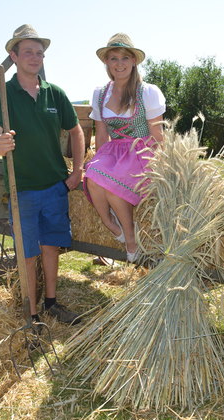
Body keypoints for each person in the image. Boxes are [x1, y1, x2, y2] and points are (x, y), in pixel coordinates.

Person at [0, 24, 85, 325]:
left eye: (39, 52)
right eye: (27, 51)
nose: (34, 57)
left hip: (55, 185)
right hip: (23, 188)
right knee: (28, 253)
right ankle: (32, 314)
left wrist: (78, 169)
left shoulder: (54, 94)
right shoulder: (2, 94)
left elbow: (76, 130)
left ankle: (52, 302)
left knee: (50, 246)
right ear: (13, 56)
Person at [84, 33, 166, 262]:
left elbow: (157, 132)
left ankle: (130, 237)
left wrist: (165, 165)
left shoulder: (147, 92)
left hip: (141, 151)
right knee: (92, 175)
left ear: (133, 61)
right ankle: (112, 225)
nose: (119, 64)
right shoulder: (100, 94)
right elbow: (101, 133)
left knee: (110, 184)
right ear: (107, 63)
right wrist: (97, 159)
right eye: (113, 58)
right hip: (113, 151)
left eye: (124, 58)